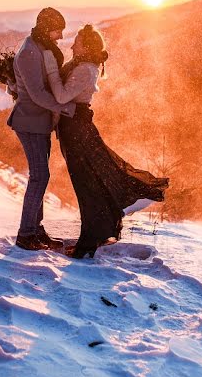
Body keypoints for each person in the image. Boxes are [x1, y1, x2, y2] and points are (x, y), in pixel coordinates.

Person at [43, 24, 168, 258]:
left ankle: (88, 243)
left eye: (77, 42)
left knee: (87, 185)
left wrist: (50, 73)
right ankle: (94, 236)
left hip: (78, 131)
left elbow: (61, 96)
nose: (72, 45)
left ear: (87, 45)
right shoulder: (81, 65)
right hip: (74, 129)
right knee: (90, 183)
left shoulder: (85, 69)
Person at [7, 7, 76, 251]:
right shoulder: (29, 52)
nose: (60, 36)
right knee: (40, 176)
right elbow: (36, 93)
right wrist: (66, 107)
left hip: (40, 122)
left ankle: (36, 230)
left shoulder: (39, 47)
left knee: (40, 176)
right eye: (58, 30)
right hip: (29, 122)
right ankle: (25, 234)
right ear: (47, 27)